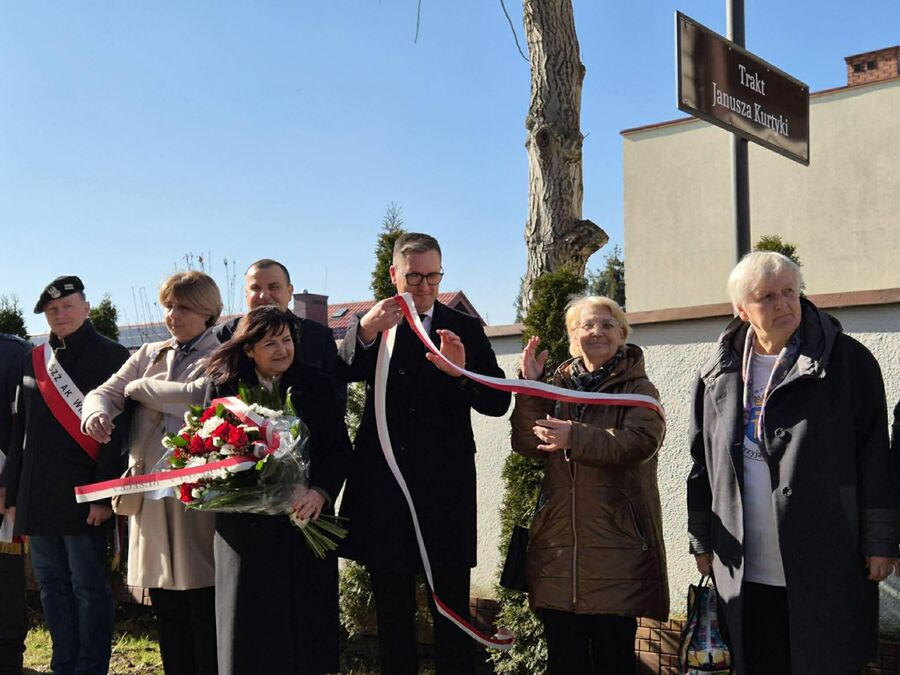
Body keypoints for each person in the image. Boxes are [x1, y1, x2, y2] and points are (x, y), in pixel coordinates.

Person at [686, 251, 897, 675]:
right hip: (744, 563)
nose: (783, 304)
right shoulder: (717, 372)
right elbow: (700, 464)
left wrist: (880, 541)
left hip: (827, 554)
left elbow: (876, 454)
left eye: (789, 292)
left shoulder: (848, 362)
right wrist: (701, 539)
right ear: (742, 310)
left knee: (823, 659)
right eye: (767, 296)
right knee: (759, 659)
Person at [335, 232, 511, 674]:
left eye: (434, 276)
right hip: (386, 490)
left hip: (444, 493)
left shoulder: (464, 326)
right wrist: (366, 330)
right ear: (394, 274)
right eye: (414, 276)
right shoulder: (375, 321)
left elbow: (497, 401)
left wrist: (460, 371)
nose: (425, 286)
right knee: (392, 612)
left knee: (450, 609)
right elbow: (339, 371)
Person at [510, 295, 668, 674]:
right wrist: (531, 387)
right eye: (587, 325)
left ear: (622, 336)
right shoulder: (558, 389)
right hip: (559, 553)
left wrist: (574, 438)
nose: (597, 331)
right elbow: (527, 444)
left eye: (607, 325)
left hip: (616, 553)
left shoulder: (639, 391)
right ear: (572, 336)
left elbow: (638, 444)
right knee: (565, 662)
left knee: (613, 661)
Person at [82, 271, 223, 675]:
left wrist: (140, 389)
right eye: (169, 306)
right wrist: (97, 412)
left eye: (184, 307)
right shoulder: (150, 352)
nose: (173, 315)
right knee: (165, 605)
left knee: (203, 602)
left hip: (197, 495)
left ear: (207, 312)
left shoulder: (224, 353)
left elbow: (200, 398)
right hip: (147, 495)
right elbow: (105, 391)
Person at [205, 306, 351, 675]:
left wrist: (319, 491)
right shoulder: (226, 386)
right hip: (245, 530)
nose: (282, 350)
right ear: (249, 349)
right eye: (270, 343)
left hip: (303, 523)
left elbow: (338, 449)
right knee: (248, 628)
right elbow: (209, 450)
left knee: (304, 632)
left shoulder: (315, 383)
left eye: (287, 340)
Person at [1, 276, 129, 675]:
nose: (60, 314)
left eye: (68, 306)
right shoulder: (32, 359)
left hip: (83, 497)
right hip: (38, 496)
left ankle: (90, 667)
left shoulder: (112, 355)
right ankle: (64, 663)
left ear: (86, 308)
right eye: (53, 310)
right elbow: (21, 429)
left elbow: (119, 436)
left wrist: (103, 497)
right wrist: (12, 488)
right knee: (52, 588)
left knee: (88, 588)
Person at [214, 258, 344, 409]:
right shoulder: (225, 335)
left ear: (290, 292)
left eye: (273, 287)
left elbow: (336, 402)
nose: (264, 295)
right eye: (255, 288)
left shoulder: (318, 336)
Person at [0, 332, 30, 675]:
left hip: (2, 478)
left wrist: (10, 482)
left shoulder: (15, 353)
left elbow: (25, 425)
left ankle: (7, 658)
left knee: (4, 579)